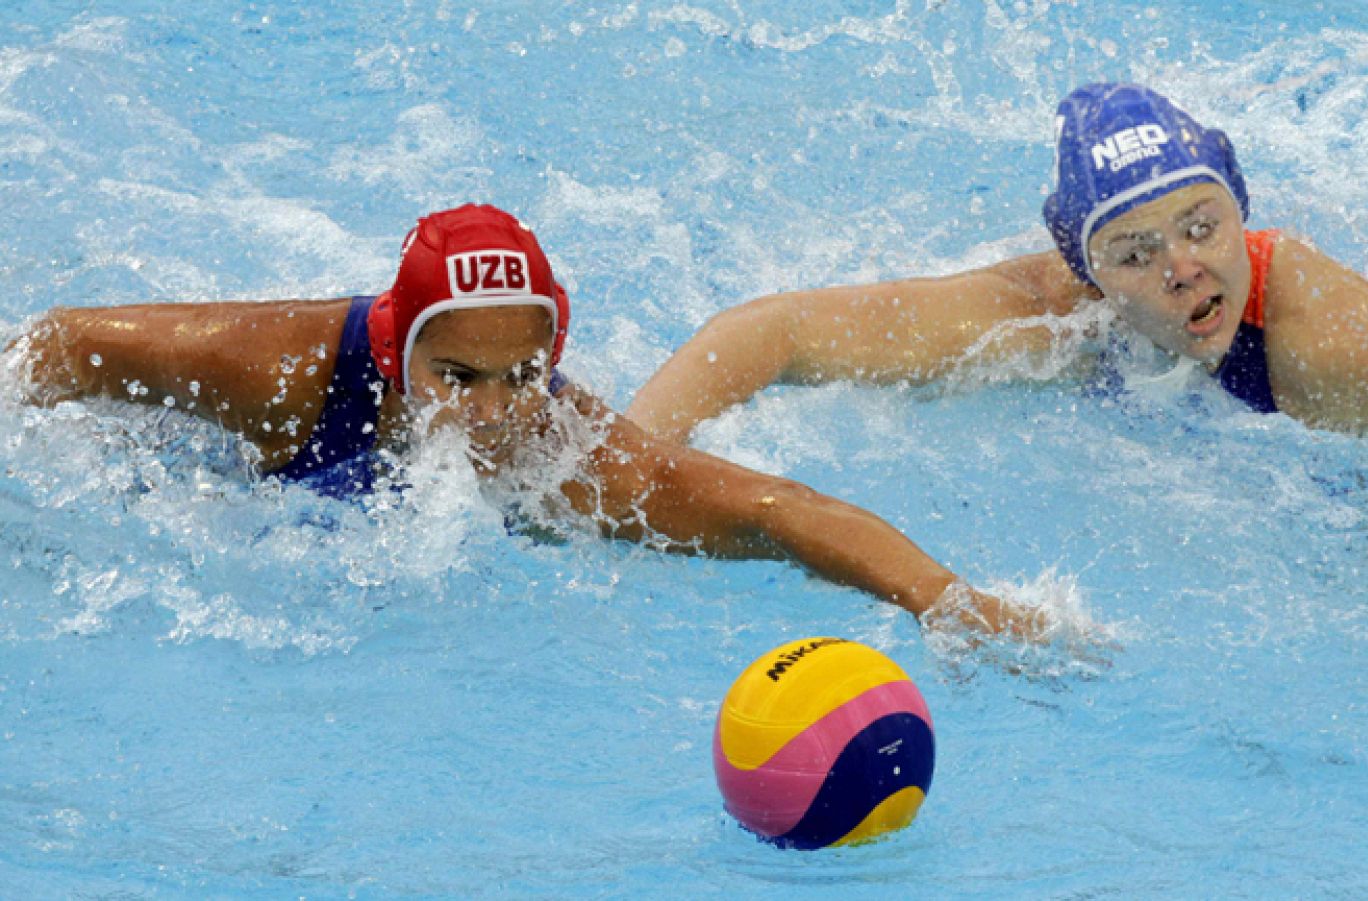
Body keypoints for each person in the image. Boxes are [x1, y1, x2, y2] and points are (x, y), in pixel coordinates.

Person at [9, 203, 1043, 639]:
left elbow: (770, 509)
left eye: (525, 373)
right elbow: (52, 346)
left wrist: (948, 598)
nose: (497, 413)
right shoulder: (276, 370)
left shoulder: (562, 450)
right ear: (397, 344)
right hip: (177, 475)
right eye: (459, 376)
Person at [628, 83, 1368, 443]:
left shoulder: (1333, 349)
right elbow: (774, 333)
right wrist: (626, 458)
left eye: (1202, 226)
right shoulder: (1057, 308)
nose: (1183, 268)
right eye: (1136, 252)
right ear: (1085, 265)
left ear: (1239, 207)